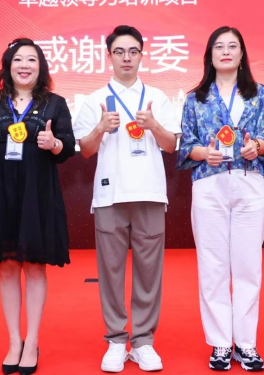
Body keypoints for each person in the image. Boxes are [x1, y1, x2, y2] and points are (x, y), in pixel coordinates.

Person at [73, 25, 181, 373]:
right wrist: (100, 128)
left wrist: (154, 126)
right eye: (119, 52)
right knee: (111, 272)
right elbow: (85, 150)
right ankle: (117, 341)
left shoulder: (158, 97)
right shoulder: (94, 99)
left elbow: (171, 145)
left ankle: (144, 341)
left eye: (133, 51)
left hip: (149, 192)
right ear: (109, 56)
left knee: (149, 272)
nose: (126, 58)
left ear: (141, 55)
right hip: (110, 195)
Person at [0, 38, 75, 375]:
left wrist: (54, 143)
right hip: (1, 193)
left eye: (31, 60)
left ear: (41, 67)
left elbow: (68, 146)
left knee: (36, 267)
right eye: (18, 60)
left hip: (37, 194)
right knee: (8, 267)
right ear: (7, 67)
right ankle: (14, 340)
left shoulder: (55, 103)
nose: (24, 66)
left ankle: (32, 341)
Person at [176, 26, 264, 372]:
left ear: (241, 54)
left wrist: (258, 147)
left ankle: (246, 344)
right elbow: (186, 144)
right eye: (218, 46)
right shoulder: (195, 98)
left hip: (250, 183)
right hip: (210, 184)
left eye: (232, 46)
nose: (225, 51)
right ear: (209, 55)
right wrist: (203, 153)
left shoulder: (260, 94)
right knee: (213, 267)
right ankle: (221, 343)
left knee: (248, 266)